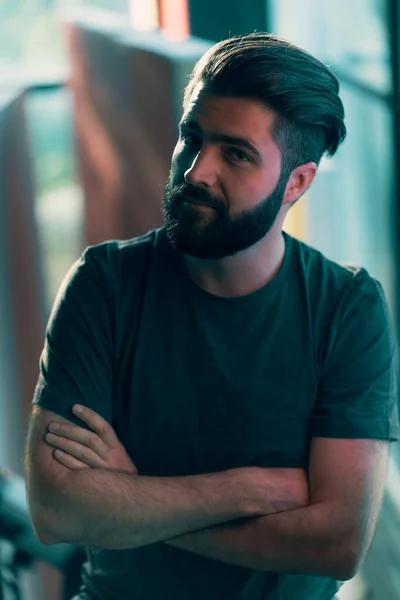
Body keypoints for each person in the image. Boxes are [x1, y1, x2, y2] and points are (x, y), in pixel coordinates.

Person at [25, 32, 399, 600]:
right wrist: (245, 489)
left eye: (237, 153)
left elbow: (338, 544)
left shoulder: (347, 309)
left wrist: (131, 498)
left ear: (296, 182)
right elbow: (57, 511)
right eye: (191, 138)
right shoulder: (104, 285)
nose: (197, 171)